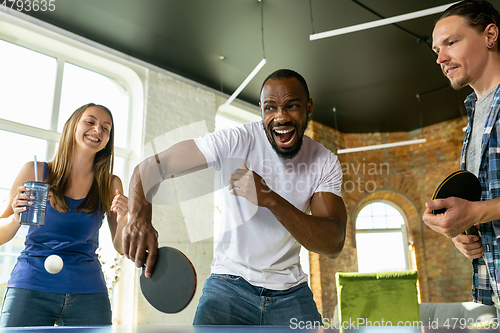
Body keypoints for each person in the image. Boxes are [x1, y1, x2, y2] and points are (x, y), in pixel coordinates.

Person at [123, 69, 347, 326]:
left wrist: (270, 198)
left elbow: (333, 243)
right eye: (271, 108)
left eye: (292, 106)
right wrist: (139, 216)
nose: (280, 116)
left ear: (308, 108)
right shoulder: (234, 140)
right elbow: (152, 166)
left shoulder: (325, 161)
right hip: (229, 285)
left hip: (291, 292)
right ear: (261, 109)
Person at [0, 103, 128, 327]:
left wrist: (125, 219)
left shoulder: (110, 183)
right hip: (31, 286)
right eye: (90, 122)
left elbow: (121, 247)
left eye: (106, 128)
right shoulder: (35, 171)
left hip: (88, 292)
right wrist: (15, 218)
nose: (98, 130)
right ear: (70, 126)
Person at [422, 0, 500, 313]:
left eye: (451, 43)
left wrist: (476, 213)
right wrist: (466, 234)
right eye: (436, 50)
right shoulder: (475, 113)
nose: (441, 58)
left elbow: (482, 209)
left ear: (490, 35)